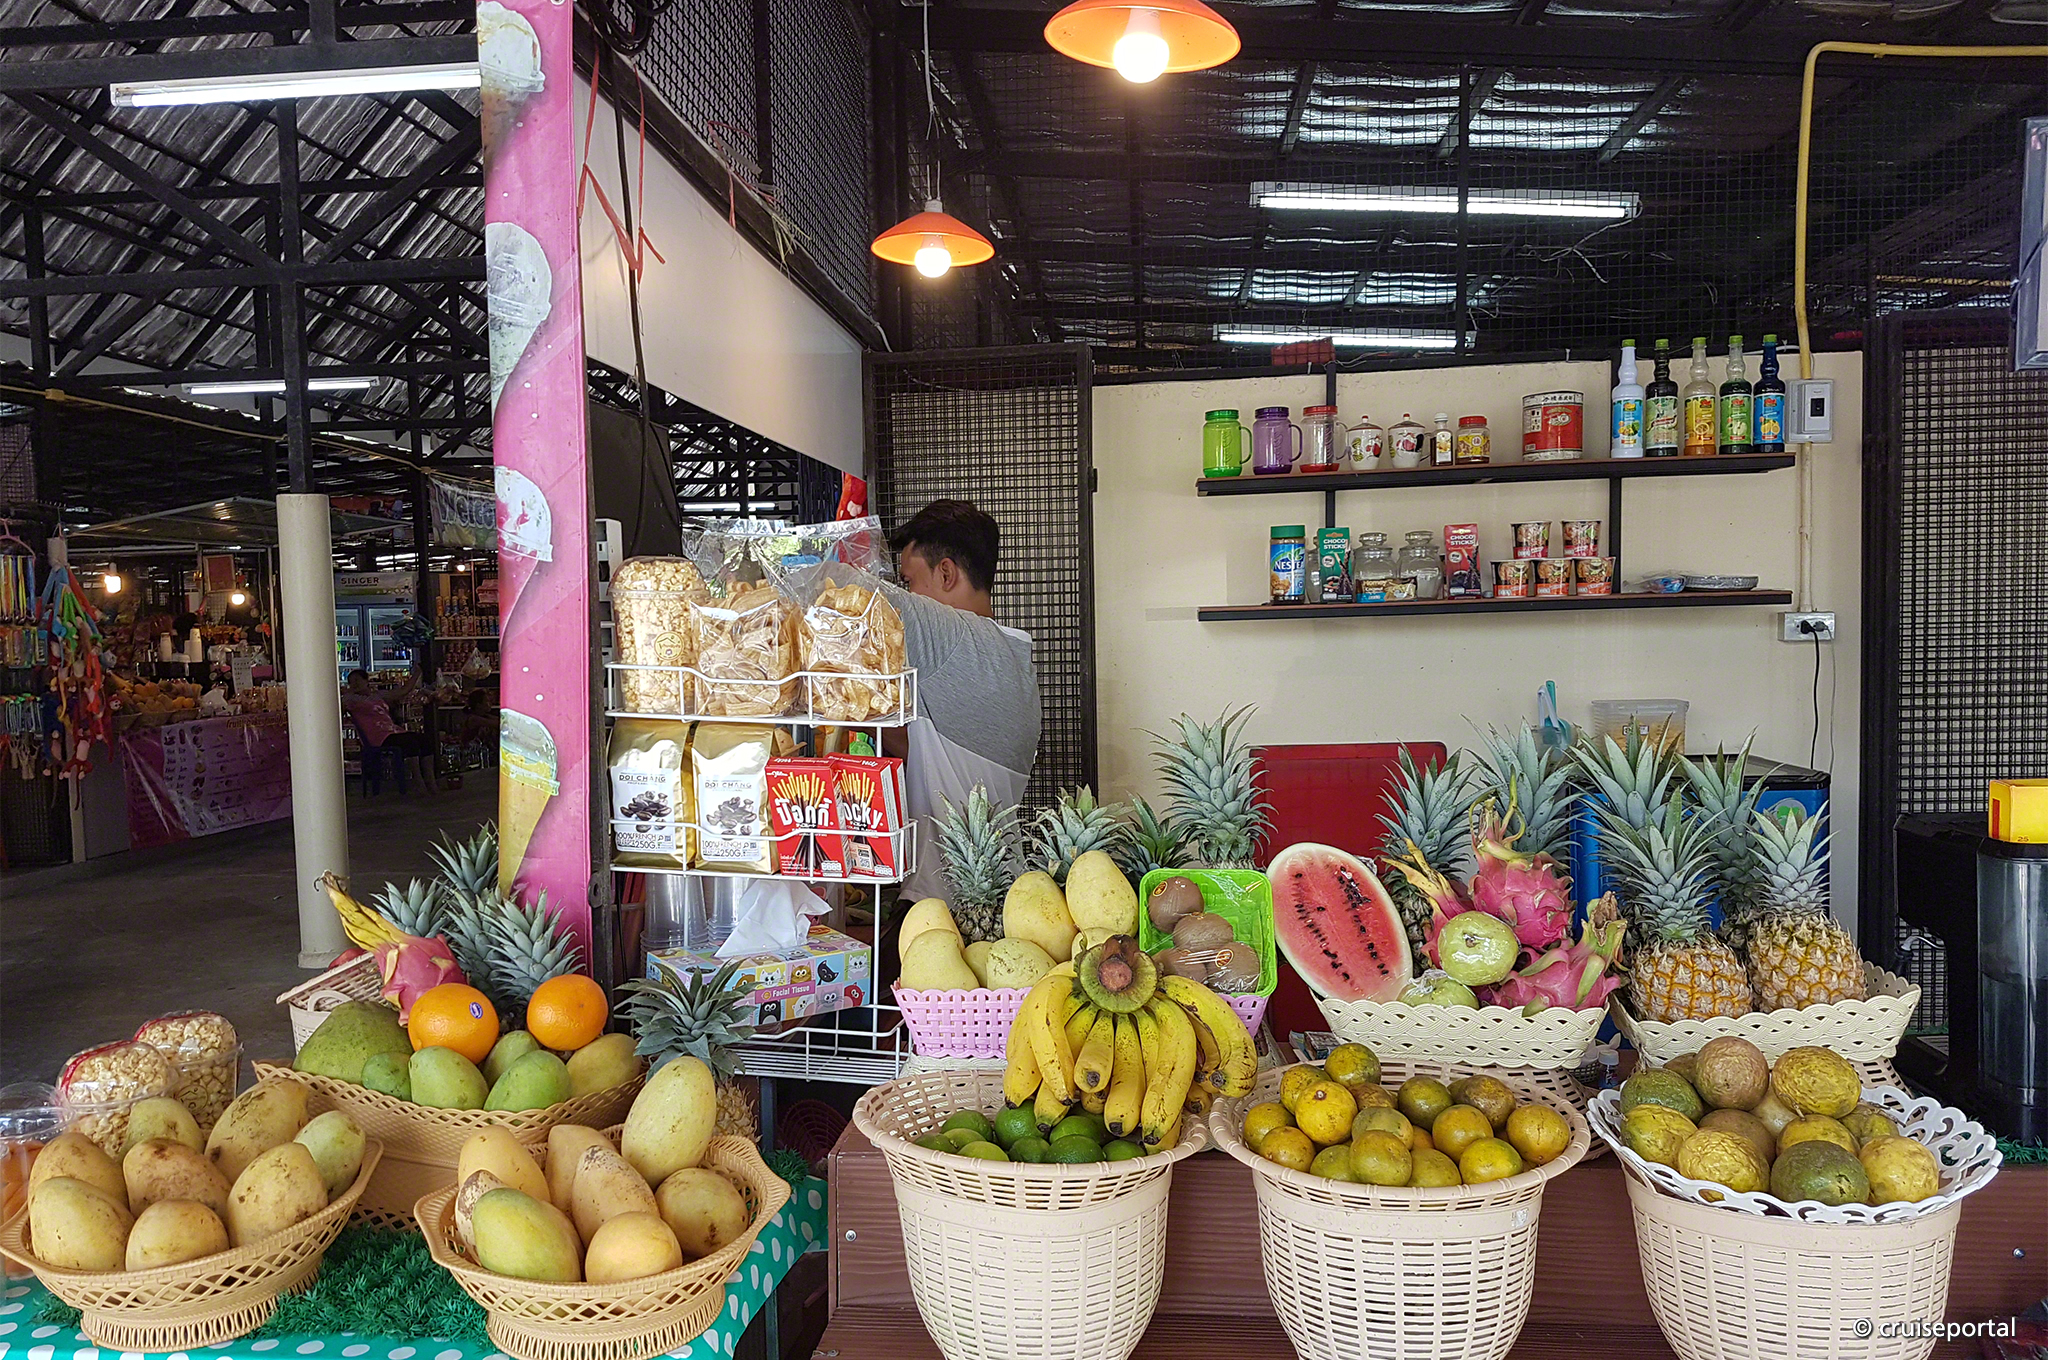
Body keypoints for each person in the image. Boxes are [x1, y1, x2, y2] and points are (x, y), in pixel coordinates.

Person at [879, 500, 1040, 904]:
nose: (908, 593)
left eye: (909, 580)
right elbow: (929, 750)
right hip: (991, 894)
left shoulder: (954, 639)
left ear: (946, 573)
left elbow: (851, 592)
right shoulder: (1006, 656)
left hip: (950, 903)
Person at [340, 669, 437, 793]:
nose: (355, 684)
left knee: (424, 740)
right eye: (351, 681)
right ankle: (418, 781)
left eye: (357, 680)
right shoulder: (349, 699)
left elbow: (402, 692)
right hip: (377, 736)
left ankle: (430, 780)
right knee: (409, 742)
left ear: (366, 681)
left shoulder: (377, 695)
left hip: (392, 731)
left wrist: (417, 674)